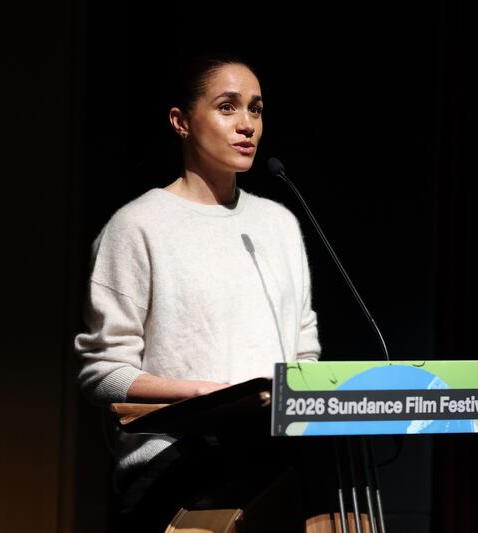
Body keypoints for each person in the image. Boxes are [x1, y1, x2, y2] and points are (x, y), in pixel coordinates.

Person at [73, 54, 322, 532]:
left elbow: (303, 354)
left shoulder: (280, 224)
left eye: (256, 108)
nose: (247, 124)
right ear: (180, 122)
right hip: (177, 472)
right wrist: (209, 395)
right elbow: (101, 374)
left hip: (280, 463)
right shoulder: (137, 226)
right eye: (227, 107)